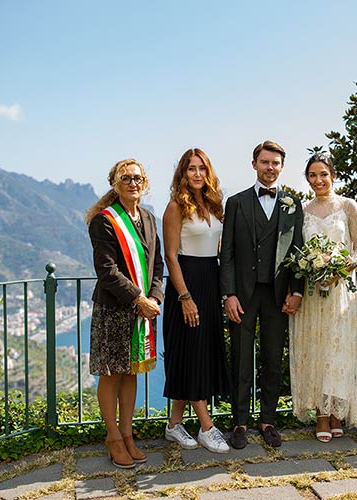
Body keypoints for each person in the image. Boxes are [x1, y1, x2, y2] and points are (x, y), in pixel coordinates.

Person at [220, 140, 304, 449]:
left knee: (272, 358)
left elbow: (297, 252)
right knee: (240, 358)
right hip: (242, 293)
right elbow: (226, 253)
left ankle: (268, 420)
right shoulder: (236, 202)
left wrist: (296, 291)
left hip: (277, 294)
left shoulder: (293, 205)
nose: (270, 167)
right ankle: (239, 423)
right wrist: (228, 294)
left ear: (282, 167)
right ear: (254, 164)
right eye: (265, 162)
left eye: (276, 163)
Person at [85, 158, 164, 468]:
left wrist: (155, 295)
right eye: (126, 178)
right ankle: (113, 437)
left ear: (144, 184)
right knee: (111, 373)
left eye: (137, 178)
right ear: (115, 186)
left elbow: (157, 264)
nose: (133, 183)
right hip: (113, 309)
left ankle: (128, 435)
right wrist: (138, 299)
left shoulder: (149, 218)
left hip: (142, 308)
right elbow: (106, 271)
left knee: (132, 371)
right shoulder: (103, 221)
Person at [288, 153, 357, 442]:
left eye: (323, 174)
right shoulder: (302, 209)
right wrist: (312, 267)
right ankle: (322, 415)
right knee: (317, 350)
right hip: (312, 295)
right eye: (312, 175)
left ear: (333, 175)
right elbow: (295, 250)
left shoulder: (348, 206)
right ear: (307, 179)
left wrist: (340, 269)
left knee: (338, 352)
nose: (318, 180)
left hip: (341, 293)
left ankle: (337, 413)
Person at [161, 148, 231, 453]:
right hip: (186, 283)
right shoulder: (175, 207)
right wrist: (185, 297)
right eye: (191, 169)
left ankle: (174, 425)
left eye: (202, 168)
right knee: (192, 352)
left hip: (210, 280)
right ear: (183, 173)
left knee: (198, 352)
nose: (198, 173)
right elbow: (170, 256)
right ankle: (207, 427)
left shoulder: (214, 205)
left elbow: (219, 247)